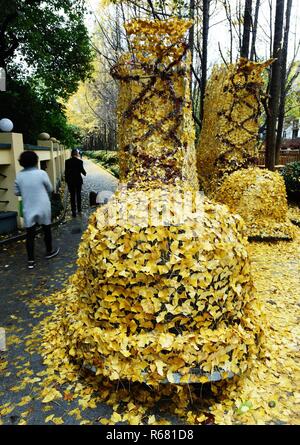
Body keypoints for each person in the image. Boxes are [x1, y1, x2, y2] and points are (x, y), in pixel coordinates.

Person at [14, 151, 59, 269]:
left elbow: (16, 192)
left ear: (21, 162)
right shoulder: (41, 173)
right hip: (43, 205)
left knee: (30, 234)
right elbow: (49, 188)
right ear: (36, 160)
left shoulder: (19, 176)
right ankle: (49, 252)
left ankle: (31, 260)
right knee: (46, 229)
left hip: (29, 206)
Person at [65, 148, 86, 217]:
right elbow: (82, 171)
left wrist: (66, 180)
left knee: (72, 196)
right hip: (78, 181)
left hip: (70, 181)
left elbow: (66, 172)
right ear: (77, 154)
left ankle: (73, 211)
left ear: (71, 154)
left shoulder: (67, 161)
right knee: (78, 195)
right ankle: (79, 210)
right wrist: (84, 172)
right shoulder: (80, 162)